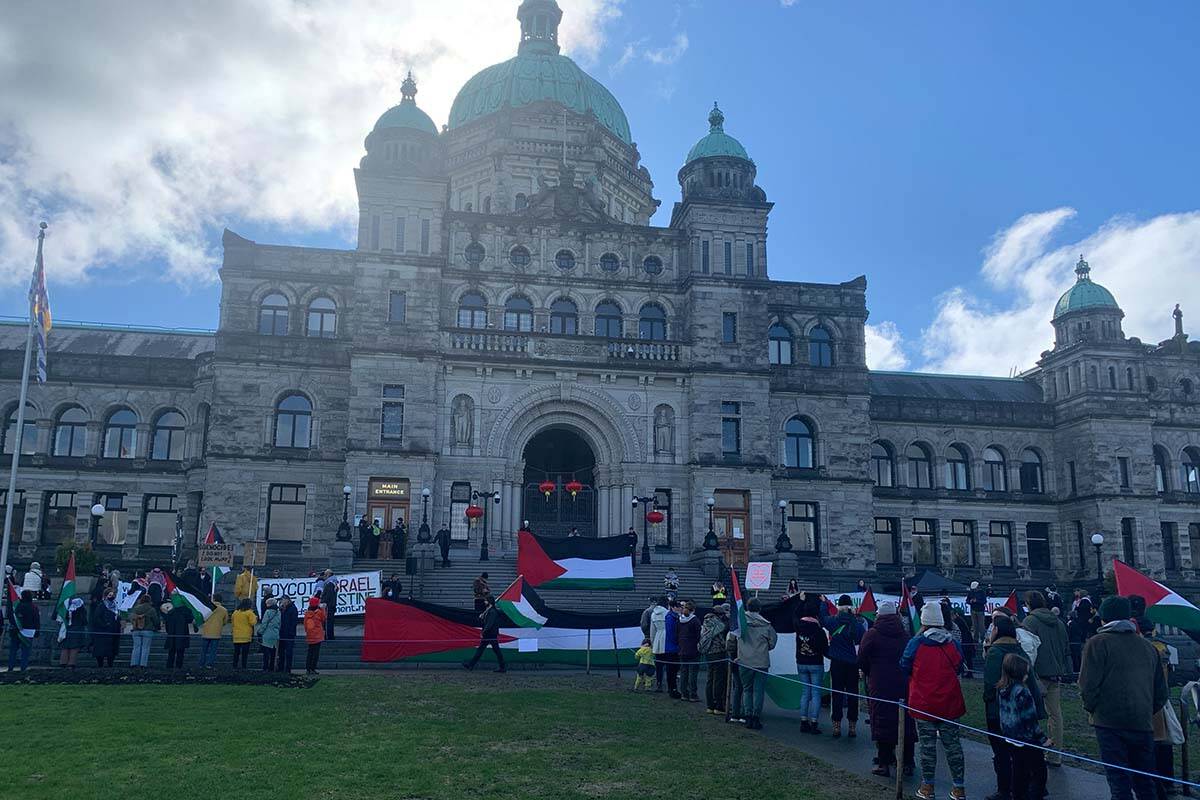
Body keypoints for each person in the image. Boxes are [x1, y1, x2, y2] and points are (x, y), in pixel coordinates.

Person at [1079, 596, 1167, 800]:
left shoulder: (1097, 643)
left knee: (1119, 783)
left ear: (1104, 618)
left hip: (1109, 723)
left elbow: (1087, 686)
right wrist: (1144, 710)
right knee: (1145, 783)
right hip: (1142, 722)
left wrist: (1094, 709)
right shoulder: (1148, 647)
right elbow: (1160, 692)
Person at [901, 602, 967, 800]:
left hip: (924, 701)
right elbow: (958, 667)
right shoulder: (953, 643)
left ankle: (928, 786)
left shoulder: (916, 643)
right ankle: (958, 787)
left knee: (927, 746)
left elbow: (904, 666)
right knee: (953, 746)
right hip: (949, 701)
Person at [985, 614, 1043, 800]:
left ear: (996, 631)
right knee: (1022, 754)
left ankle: (1006, 789)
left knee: (1003, 753)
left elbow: (991, 684)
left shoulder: (995, 652)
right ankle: (1027, 786)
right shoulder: (1020, 650)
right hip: (1025, 708)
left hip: (1003, 712)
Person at [858, 600, 916, 778]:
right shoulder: (905, 635)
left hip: (880, 683)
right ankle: (907, 761)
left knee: (882, 719)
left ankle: (884, 761)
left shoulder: (872, 634)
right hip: (902, 683)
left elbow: (861, 657)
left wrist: (869, 672)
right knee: (904, 720)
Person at [1021, 590, 1070, 769]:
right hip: (1055, 673)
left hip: (1036, 675)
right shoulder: (1059, 623)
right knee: (1055, 715)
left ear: (1028, 605)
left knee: (1030, 714)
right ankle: (1055, 755)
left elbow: (1027, 649)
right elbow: (1066, 647)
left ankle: (1034, 751)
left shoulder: (1029, 621)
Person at [998, 653, 1048, 800]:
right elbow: (1030, 720)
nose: (1027, 675)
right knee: (1039, 774)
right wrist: (1043, 740)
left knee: (1019, 771)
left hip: (1011, 738)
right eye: (1026, 672)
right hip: (1027, 739)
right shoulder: (1022, 692)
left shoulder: (1002, 689)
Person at [1139, 616, 1175, 800]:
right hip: (1160, 699)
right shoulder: (1160, 646)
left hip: (1150, 699)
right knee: (1163, 742)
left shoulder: (1146, 648)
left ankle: (1160, 783)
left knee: (1153, 745)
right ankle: (1167, 782)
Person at [824, 593, 865, 738]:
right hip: (852, 664)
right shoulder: (858, 625)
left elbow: (822, 618)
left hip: (837, 662)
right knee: (853, 695)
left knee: (837, 694)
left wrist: (825, 603)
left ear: (839, 607)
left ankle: (836, 725)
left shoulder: (832, 621)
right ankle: (852, 726)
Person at [737, 598, 778, 731]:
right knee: (758, 691)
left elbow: (732, 639)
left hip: (744, 660)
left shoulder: (740, 623)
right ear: (760, 609)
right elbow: (772, 643)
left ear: (748, 608)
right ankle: (756, 717)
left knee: (747, 689)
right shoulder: (767, 625)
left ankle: (747, 716)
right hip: (761, 661)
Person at [793, 594, 830, 734]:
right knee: (815, 693)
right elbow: (825, 650)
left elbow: (795, 614)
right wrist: (823, 603)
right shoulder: (819, 631)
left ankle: (803, 721)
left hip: (801, 663)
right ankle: (814, 722)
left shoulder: (798, 626)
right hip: (815, 663)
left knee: (805, 693)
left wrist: (801, 601)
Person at [462, 595, 505, 672]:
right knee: (482, 649)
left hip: (490, 634)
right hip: (489, 634)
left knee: (495, 650)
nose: (484, 602)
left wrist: (484, 631)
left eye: (486, 600)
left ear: (489, 601)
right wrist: (483, 616)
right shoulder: (489, 610)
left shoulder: (492, 612)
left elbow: (489, 624)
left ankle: (502, 667)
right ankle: (471, 665)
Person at [700, 603, 731, 714]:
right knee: (719, 680)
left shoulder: (706, 621)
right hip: (718, 652)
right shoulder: (717, 622)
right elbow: (724, 628)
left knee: (710, 679)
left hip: (708, 653)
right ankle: (718, 706)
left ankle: (710, 705)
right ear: (719, 614)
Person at [6, 589, 38, 671]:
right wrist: (37, 631)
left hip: (16, 631)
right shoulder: (33, 607)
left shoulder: (18, 606)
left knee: (13, 650)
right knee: (25, 652)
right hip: (28, 632)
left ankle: (10, 667)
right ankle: (23, 668)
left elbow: (14, 617)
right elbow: (36, 620)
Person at [677, 600, 701, 702]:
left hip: (682, 648)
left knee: (684, 672)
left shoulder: (679, 620)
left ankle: (684, 693)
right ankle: (693, 694)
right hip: (693, 649)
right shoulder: (695, 621)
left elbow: (677, 633)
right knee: (693, 673)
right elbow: (698, 635)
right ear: (693, 610)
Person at [88, 590, 120, 668]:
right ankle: (100, 665)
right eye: (110, 595)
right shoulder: (101, 606)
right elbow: (96, 618)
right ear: (105, 596)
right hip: (102, 632)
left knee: (112, 651)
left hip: (113, 632)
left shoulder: (116, 606)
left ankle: (110, 665)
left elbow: (118, 617)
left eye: (113, 595)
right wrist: (104, 624)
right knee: (101, 651)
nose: (112, 597)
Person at [129, 593, 161, 668]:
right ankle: (143, 664)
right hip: (147, 630)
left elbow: (131, 618)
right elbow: (156, 621)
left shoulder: (136, 608)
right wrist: (157, 627)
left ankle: (134, 663)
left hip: (136, 630)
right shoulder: (151, 609)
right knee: (145, 648)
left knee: (136, 647)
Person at [199, 593, 229, 668]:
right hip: (216, 633)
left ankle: (201, 664)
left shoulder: (207, 608)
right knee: (213, 651)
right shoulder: (223, 610)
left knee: (204, 650)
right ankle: (209, 664)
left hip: (206, 632)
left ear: (214, 599)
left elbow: (202, 618)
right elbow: (225, 621)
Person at [59, 597, 89, 668]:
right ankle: (71, 663)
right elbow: (84, 621)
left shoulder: (67, 610)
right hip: (77, 630)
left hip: (67, 629)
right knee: (74, 648)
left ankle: (63, 663)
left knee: (65, 647)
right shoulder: (81, 611)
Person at [164, 599, 194, 669]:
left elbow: (167, 624)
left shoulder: (170, 612)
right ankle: (178, 667)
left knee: (171, 652)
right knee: (180, 652)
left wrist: (169, 632)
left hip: (172, 634)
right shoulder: (185, 611)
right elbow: (190, 619)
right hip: (182, 634)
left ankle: (169, 666)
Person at [726, 623, 745, 724]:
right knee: (744, 689)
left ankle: (736, 713)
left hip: (735, 662)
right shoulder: (742, 630)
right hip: (742, 662)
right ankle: (742, 713)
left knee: (738, 688)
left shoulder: (732, 632)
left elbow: (729, 647)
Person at [231, 599, 258, 669]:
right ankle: (243, 667)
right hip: (246, 636)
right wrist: (255, 617)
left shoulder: (235, 612)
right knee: (244, 654)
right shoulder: (249, 613)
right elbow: (253, 623)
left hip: (236, 635)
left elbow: (232, 622)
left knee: (236, 652)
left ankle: (234, 666)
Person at [663, 599, 682, 699]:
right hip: (672, 648)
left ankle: (672, 688)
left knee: (673, 670)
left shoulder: (672, 617)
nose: (680, 608)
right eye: (678, 606)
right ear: (673, 607)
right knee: (672, 670)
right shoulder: (671, 618)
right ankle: (672, 689)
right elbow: (672, 634)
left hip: (672, 647)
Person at [303, 596, 326, 674]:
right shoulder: (318, 612)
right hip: (317, 636)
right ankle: (313, 668)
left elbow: (305, 625)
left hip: (310, 635)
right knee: (315, 654)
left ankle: (308, 668)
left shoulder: (307, 613)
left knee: (310, 652)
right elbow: (324, 618)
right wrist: (322, 609)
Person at [649, 597, 668, 693]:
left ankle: (659, 683)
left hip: (657, 639)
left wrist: (653, 643)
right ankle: (670, 685)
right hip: (667, 639)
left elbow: (652, 631)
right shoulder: (667, 613)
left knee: (659, 665)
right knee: (669, 664)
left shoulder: (653, 614)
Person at [257, 597, 281, 671]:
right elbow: (279, 624)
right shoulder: (278, 612)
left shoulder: (268, 612)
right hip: (275, 634)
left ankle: (265, 668)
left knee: (266, 654)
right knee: (273, 653)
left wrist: (259, 632)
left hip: (267, 634)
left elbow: (264, 623)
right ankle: (271, 668)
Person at [277, 595, 298, 673]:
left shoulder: (292, 609)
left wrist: (290, 632)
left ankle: (288, 669)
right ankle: (280, 668)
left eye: (282, 601)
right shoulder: (282, 609)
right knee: (281, 652)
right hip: (282, 634)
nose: (281, 602)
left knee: (288, 652)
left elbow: (293, 622)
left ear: (287, 600)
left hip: (289, 634)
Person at [321, 570, 338, 640]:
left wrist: (324, 602)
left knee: (327, 621)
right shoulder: (333, 583)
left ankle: (328, 636)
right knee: (330, 621)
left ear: (328, 575)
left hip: (328, 606)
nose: (324, 577)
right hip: (331, 605)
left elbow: (328, 595)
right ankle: (330, 636)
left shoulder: (330, 584)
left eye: (325, 575)